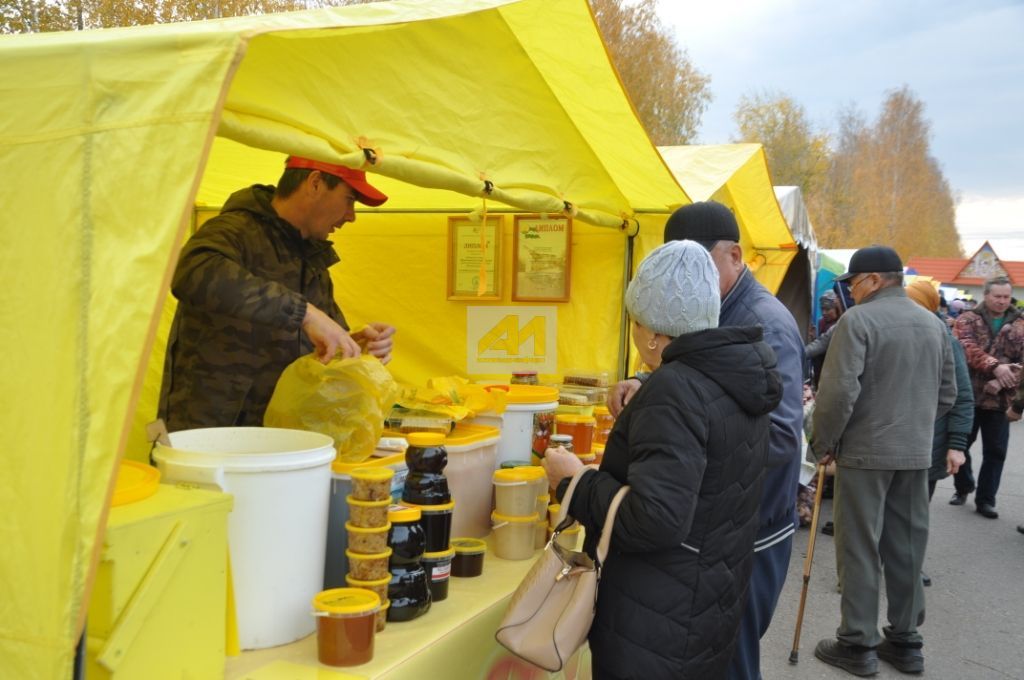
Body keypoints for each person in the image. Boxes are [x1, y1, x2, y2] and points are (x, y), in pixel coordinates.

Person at [543, 239, 782, 679]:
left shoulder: (675, 390)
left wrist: (573, 482)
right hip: (703, 607)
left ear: (653, 332)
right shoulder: (734, 379)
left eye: (636, 322)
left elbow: (656, 517)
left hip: (655, 623)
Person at [608, 201, 804, 680]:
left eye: (699, 261)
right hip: (716, 527)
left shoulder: (765, 321)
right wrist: (648, 384)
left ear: (735, 255)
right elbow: (706, 385)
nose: (686, 276)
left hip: (751, 528)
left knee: (730, 657)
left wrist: (677, 432)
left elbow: (776, 437)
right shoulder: (708, 311)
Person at [159, 156, 396, 431]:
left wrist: (350, 345)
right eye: (349, 199)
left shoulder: (312, 258)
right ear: (315, 183)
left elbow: (317, 336)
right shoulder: (235, 230)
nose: (351, 216)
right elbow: (193, 273)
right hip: (214, 438)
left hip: (281, 437)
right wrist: (305, 314)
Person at [811, 246, 956, 677]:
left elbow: (837, 395)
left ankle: (857, 642)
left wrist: (823, 444)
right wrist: (911, 426)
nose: (850, 292)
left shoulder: (858, 321)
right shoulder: (933, 324)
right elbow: (947, 394)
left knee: (858, 546)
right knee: (908, 546)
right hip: (915, 452)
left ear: (874, 280)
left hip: (864, 451)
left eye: (853, 284)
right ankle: (906, 641)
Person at [905, 279, 971, 586]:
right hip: (892, 441)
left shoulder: (947, 339)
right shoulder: (893, 333)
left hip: (930, 443)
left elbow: (962, 395)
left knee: (916, 512)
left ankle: (911, 565)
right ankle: (875, 563)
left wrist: (957, 444)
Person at [950, 276, 1024, 518]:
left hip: (1000, 400)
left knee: (996, 451)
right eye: (997, 296)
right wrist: (994, 366)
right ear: (986, 295)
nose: (1002, 301)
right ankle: (962, 486)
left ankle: (986, 500)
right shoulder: (967, 319)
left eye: (1006, 296)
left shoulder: (1020, 325)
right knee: (960, 444)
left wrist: (1004, 375)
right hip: (967, 397)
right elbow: (966, 347)